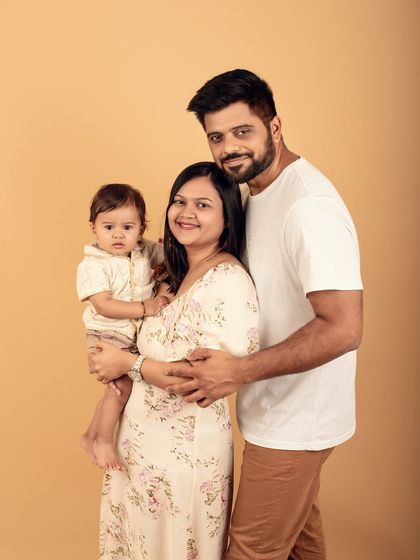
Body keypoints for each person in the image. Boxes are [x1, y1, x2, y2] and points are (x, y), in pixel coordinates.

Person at [165, 69, 364, 559]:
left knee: (252, 549)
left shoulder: (308, 207)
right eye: (217, 137)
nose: (229, 147)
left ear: (274, 127)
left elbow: (344, 327)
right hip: (273, 410)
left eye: (242, 131)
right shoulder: (256, 194)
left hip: (298, 419)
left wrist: (238, 372)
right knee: (300, 545)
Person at [88, 162, 259, 560]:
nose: (186, 213)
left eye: (202, 205)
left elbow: (204, 380)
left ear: (227, 216)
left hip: (185, 461)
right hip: (137, 452)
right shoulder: (166, 272)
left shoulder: (228, 283)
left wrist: (125, 364)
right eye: (179, 201)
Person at [77, 183, 168, 470]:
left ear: (141, 230)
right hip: (106, 333)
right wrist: (144, 308)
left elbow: (168, 255)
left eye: (128, 227)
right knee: (121, 388)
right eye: (108, 227)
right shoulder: (93, 265)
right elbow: (103, 304)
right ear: (93, 227)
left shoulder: (142, 251)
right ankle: (103, 440)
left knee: (115, 390)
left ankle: (90, 434)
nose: (118, 234)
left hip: (129, 335)